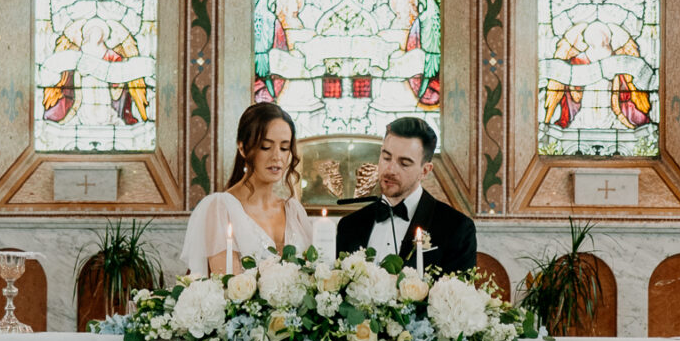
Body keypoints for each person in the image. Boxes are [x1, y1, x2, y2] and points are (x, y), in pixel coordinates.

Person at [180, 101, 314, 279]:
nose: (277, 157)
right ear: (243, 148)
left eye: (284, 148)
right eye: (266, 147)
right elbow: (227, 286)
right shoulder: (220, 208)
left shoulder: (294, 211)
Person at [336, 115, 475, 277]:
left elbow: (457, 297)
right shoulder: (349, 225)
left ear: (425, 171)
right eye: (386, 157)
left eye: (404, 163)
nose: (390, 169)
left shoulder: (457, 228)